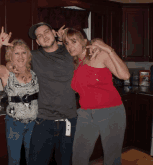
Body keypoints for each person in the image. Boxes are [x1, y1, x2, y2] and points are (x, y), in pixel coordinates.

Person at [62, 28, 130, 165]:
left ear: (84, 41)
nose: (70, 46)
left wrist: (108, 49)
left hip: (111, 111)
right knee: (78, 157)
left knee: (112, 158)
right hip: (86, 113)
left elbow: (125, 75)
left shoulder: (100, 55)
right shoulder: (74, 64)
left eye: (73, 41)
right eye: (66, 43)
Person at [0, 27, 39, 165]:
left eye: (24, 53)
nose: (21, 56)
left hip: (34, 123)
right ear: (11, 56)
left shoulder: (35, 72)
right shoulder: (6, 73)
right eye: (17, 53)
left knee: (33, 158)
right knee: (15, 160)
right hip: (15, 124)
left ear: (28, 55)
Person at [25, 22, 77, 165]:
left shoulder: (70, 52)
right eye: (39, 36)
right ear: (37, 41)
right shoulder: (33, 56)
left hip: (69, 120)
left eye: (46, 32)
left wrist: (64, 39)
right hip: (43, 120)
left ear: (54, 32)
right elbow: (12, 62)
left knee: (66, 162)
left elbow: (86, 47)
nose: (44, 36)